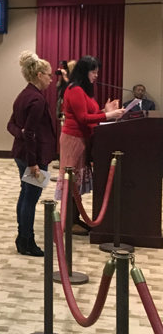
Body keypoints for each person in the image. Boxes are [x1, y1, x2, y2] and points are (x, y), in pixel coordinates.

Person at [55, 56, 125, 235]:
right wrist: (109, 115)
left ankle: (74, 218)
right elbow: (83, 118)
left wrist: (105, 111)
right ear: (84, 72)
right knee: (71, 180)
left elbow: (89, 114)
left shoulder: (83, 90)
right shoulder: (75, 89)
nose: (96, 75)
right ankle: (69, 222)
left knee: (76, 182)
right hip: (73, 140)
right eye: (93, 72)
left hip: (82, 139)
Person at [7, 51, 56, 257]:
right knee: (31, 197)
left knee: (25, 194)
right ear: (39, 75)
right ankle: (27, 239)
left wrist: (22, 133)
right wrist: (33, 162)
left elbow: (12, 125)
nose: (51, 79)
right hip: (33, 156)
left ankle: (22, 238)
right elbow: (30, 133)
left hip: (22, 154)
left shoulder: (23, 95)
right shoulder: (36, 100)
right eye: (49, 75)